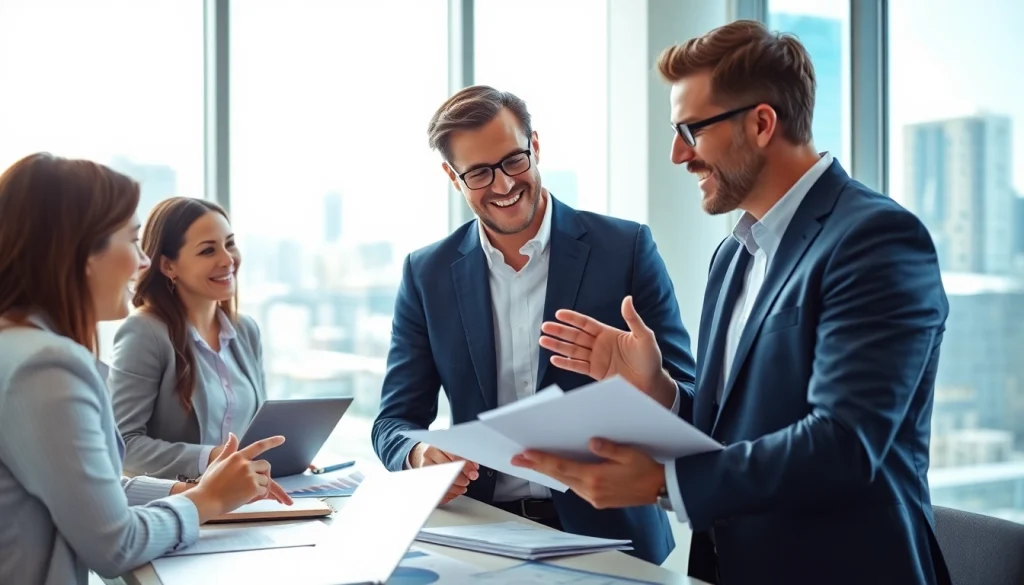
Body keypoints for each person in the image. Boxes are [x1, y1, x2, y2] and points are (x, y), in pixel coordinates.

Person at [510, 21, 952, 585]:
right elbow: (736, 430)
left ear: (762, 123)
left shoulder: (876, 239)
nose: (677, 154)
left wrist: (659, 482)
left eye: (690, 130)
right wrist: (661, 392)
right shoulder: (734, 254)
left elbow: (843, 443)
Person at [371, 85, 696, 565]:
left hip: (613, 538)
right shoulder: (427, 273)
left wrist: (651, 385)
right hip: (484, 536)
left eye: (513, 161)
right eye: (479, 172)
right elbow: (393, 422)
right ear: (452, 176)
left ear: (535, 146)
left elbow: (690, 401)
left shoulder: (624, 249)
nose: (503, 185)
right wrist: (418, 456)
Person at [0, 153, 291, 585]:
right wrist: (204, 502)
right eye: (132, 241)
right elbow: (115, 545)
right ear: (80, 253)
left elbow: (92, 492)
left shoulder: (19, 347)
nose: (142, 263)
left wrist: (191, 491)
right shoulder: (47, 365)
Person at [108, 197, 266, 480]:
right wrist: (211, 457)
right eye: (208, 251)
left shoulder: (245, 330)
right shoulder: (145, 333)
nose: (227, 259)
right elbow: (122, 444)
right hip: (177, 506)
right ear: (168, 266)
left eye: (229, 244)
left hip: (243, 501)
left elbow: (255, 430)